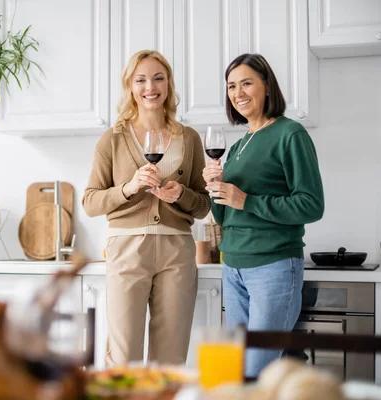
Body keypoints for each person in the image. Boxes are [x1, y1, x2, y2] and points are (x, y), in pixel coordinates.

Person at [82, 49, 211, 367]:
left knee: (171, 356)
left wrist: (181, 194)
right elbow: (90, 201)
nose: (150, 87)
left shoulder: (190, 138)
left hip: (177, 250)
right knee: (124, 354)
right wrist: (129, 188)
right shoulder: (112, 138)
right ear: (130, 86)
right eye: (141, 79)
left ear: (169, 84)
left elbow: (203, 205)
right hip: (127, 247)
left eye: (158, 78)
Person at [203, 53, 325, 377]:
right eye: (231, 86)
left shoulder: (290, 134)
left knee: (258, 372)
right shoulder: (240, 143)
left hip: (273, 267)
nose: (238, 93)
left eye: (246, 83)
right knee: (239, 374)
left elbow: (312, 204)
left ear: (267, 86)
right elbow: (227, 217)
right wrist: (215, 188)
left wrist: (248, 201)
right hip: (233, 267)